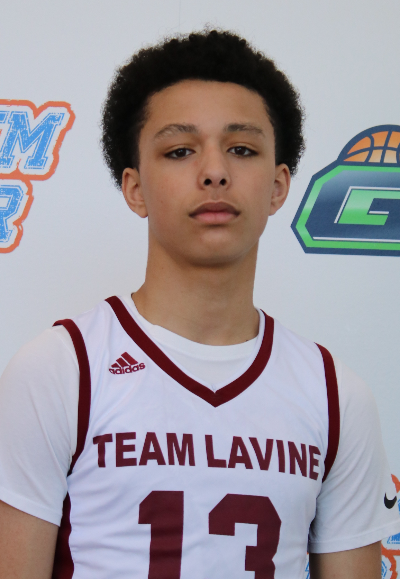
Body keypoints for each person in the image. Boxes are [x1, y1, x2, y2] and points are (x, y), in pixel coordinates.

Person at [0, 29, 399, 579]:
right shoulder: (60, 369)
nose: (214, 172)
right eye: (180, 151)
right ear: (135, 188)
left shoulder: (335, 396)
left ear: (278, 186)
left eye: (242, 149)